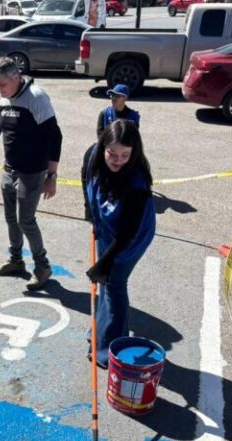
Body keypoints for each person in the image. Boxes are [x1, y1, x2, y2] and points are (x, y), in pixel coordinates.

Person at [0, 56, 63, 291]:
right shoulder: (1, 99)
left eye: (2, 85)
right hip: (10, 169)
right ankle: (16, 261)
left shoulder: (37, 97)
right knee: (10, 218)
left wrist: (52, 176)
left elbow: (55, 138)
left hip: (33, 172)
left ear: (16, 77)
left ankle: (42, 266)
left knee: (26, 220)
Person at [84, 119, 156, 368]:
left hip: (129, 239)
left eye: (125, 155)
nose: (116, 160)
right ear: (102, 146)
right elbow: (87, 174)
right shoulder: (94, 154)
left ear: (134, 154)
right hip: (107, 228)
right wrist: (90, 214)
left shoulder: (137, 185)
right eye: (112, 153)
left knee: (114, 286)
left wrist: (103, 263)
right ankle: (99, 331)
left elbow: (127, 234)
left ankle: (108, 350)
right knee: (104, 286)